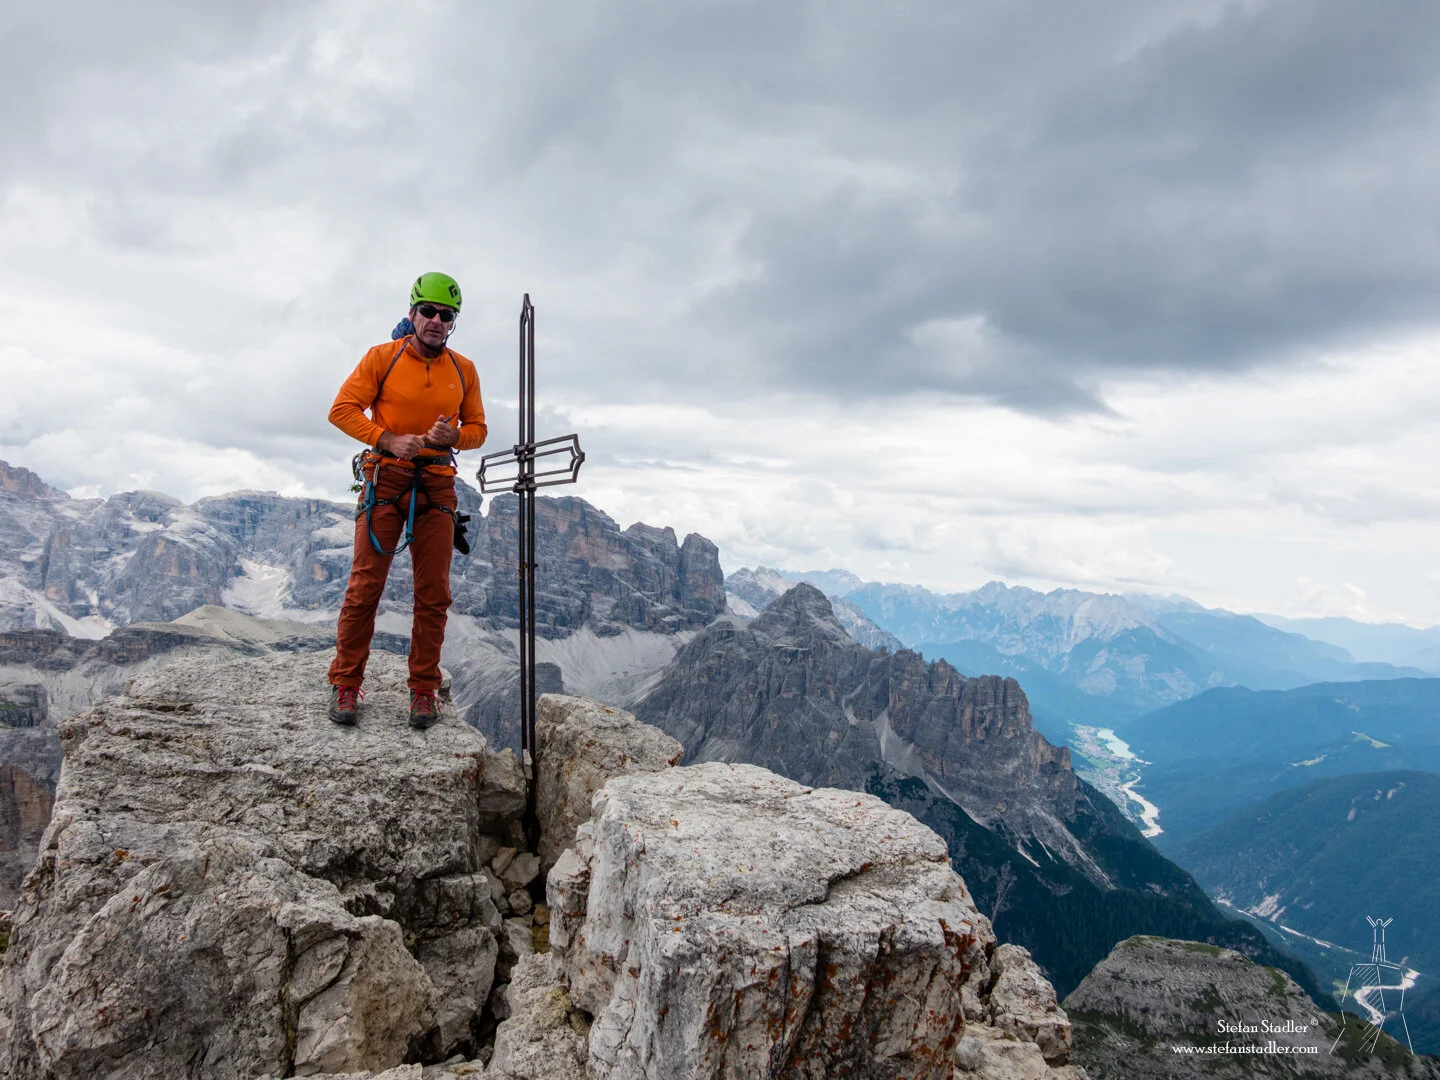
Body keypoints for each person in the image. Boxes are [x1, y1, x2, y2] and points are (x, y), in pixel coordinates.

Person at [326, 272, 486, 728]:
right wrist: (388, 439)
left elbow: (478, 429)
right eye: (429, 311)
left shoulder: (464, 369)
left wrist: (454, 437)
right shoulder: (382, 357)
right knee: (365, 588)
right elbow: (341, 409)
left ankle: (423, 690)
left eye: (446, 315)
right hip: (386, 479)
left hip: (437, 484)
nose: (437, 321)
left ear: (453, 322)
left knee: (434, 594)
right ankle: (346, 683)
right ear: (412, 313)